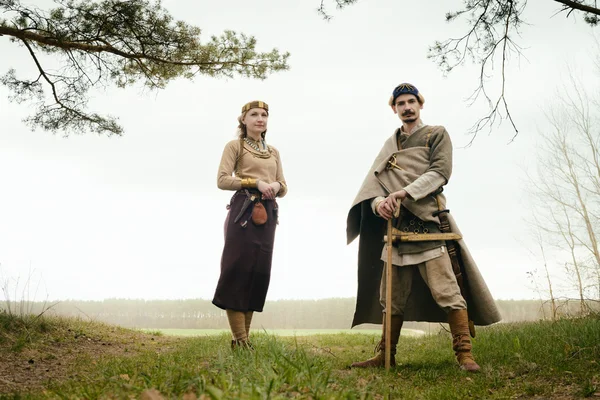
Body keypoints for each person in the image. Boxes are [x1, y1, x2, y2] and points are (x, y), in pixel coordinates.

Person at [346, 83, 501, 371]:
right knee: (390, 297)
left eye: (411, 101)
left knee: (447, 291)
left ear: (420, 104)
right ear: (394, 109)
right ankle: (385, 355)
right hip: (397, 228)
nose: (407, 107)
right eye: (401, 103)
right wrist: (379, 203)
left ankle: (465, 355)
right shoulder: (389, 146)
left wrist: (405, 193)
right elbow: (374, 185)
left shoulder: (436, 134)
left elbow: (440, 172)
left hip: (429, 223)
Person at [213, 100, 287, 349]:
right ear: (243, 119)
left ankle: (243, 340)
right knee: (238, 272)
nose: (260, 119)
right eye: (254, 114)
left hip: (268, 215)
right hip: (243, 212)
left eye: (264, 115)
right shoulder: (235, 146)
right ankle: (241, 340)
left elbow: (283, 185)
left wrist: (276, 186)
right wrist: (254, 182)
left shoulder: (274, 152)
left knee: (258, 273)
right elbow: (222, 180)